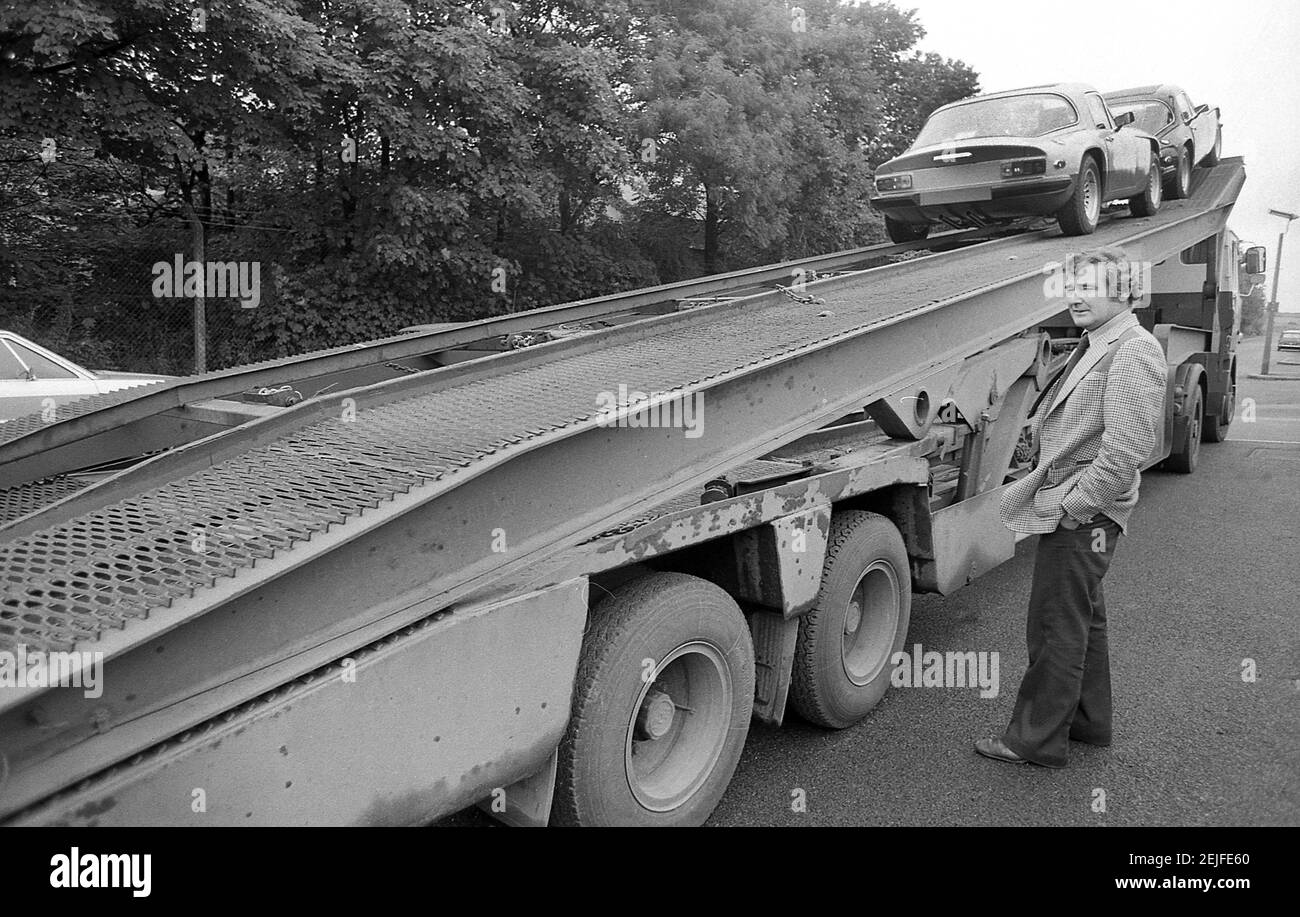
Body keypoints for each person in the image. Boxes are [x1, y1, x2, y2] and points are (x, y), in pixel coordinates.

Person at [976, 245, 1167, 768]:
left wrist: (1075, 507)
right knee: (1083, 619)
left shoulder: (1133, 350)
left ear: (1124, 292)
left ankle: (1033, 741)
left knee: (1054, 625)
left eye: (1090, 287)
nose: (1076, 297)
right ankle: (1088, 722)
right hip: (1080, 505)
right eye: (1073, 287)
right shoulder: (1098, 342)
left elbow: (1126, 449)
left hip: (1086, 511)